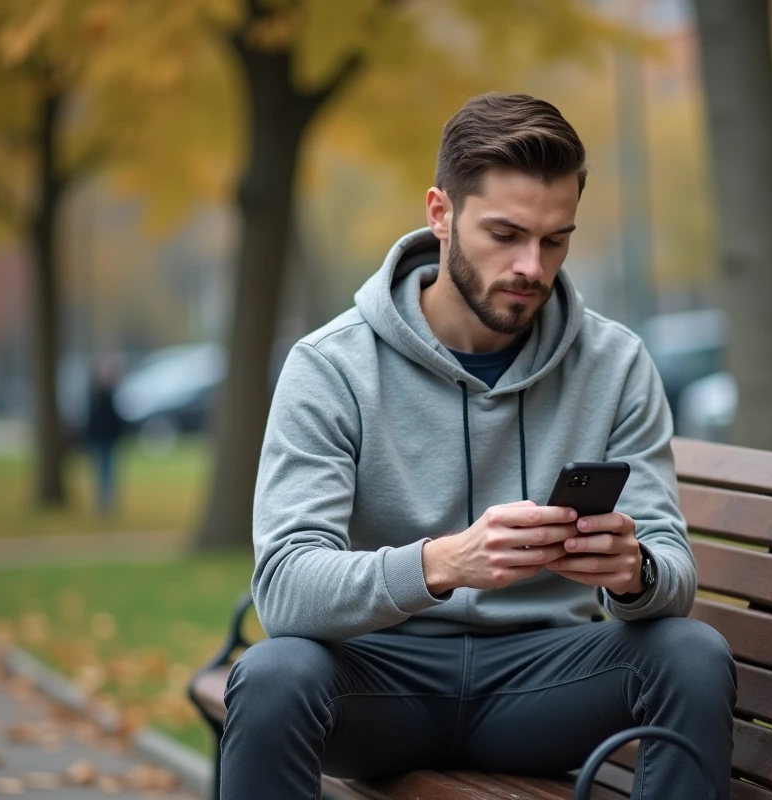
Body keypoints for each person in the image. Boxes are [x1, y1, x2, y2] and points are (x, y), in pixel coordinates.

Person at [222, 93, 736, 799]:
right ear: (441, 213)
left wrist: (634, 572)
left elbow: (672, 575)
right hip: (382, 687)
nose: (532, 265)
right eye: (506, 234)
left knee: (691, 656)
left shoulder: (616, 365)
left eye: (555, 240)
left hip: (545, 687)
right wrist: (442, 564)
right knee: (273, 677)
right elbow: (283, 590)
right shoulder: (332, 366)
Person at [84, 356, 124, 516]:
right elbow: (91, 421)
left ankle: (108, 502)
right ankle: (102, 502)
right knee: (101, 472)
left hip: (110, 439)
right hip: (99, 439)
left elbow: (115, 419)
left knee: (110, 472)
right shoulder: (96, 397)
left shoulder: (110, 395)